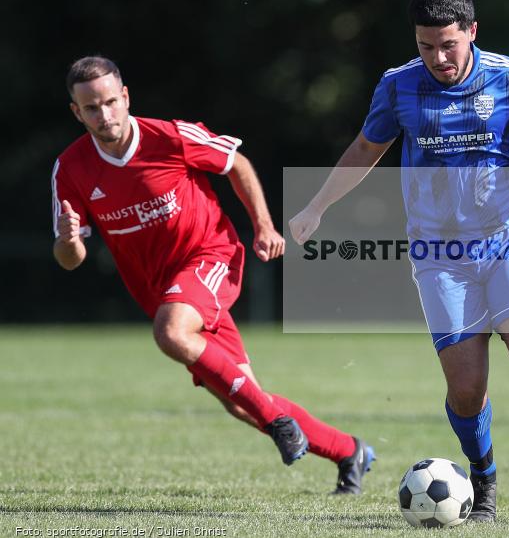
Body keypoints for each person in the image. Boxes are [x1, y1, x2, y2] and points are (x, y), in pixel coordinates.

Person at [289, 0, 509, 524]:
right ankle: (484, 482)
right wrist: (316, 208)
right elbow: (365, 150)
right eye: (426, 46)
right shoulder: (398, 87)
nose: (438, 57)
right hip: (440, 254)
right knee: (467, 387)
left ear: (472, 31)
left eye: (449, 44)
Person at [52, 56, 375, 493]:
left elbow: (236, 164)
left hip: (211, 256)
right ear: (76, 110)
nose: (104, 115)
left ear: (125, 97)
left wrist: (263, 225)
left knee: (171, 333)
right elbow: (69, 259)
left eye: (111, 102)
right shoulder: (70, 169)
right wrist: (70, 240)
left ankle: (279, 421)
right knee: (242, 403)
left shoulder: (168, 137)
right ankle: (347, 450)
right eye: (91, 108)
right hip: (163, 288)